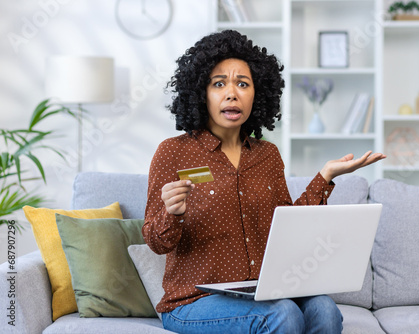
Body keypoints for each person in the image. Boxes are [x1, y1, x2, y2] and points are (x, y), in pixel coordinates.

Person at [143, 30, 386, 334]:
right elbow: (154, 241)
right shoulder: (174, 151)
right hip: (193, 300)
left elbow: (288, 228)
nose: (232, 93)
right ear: (200, 92)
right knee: (282, 315)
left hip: (260, 291)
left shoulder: (267, 155)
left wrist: (325, 177)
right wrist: (172, 213)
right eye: (219, 84)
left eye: (242, 84)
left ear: (257, 94)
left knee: (324, 310)